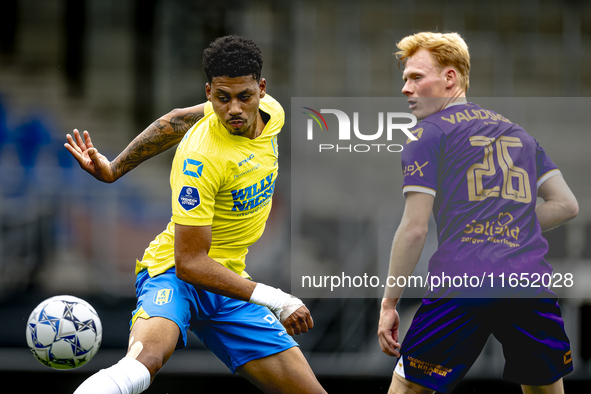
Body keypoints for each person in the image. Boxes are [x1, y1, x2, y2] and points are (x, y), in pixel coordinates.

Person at [66, 36, 326, 394]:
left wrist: (114, 169)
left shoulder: (274, 113)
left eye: (244, 96)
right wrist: (278, 299)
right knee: (146, 360)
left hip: (228, 281)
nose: (234, 109)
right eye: (222, 98)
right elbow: (189, 263)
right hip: (174, 275)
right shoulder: (200, 160)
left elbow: (173, 121)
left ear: (262, 90)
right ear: (208, 92)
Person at [377, 32, 579, 394]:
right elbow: (566, 204)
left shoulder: (426, 134)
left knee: (409, 388)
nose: (405, 88)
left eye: (416, 77)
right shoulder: (519, 133)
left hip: (464, 282)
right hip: (528, 285)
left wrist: (389, 302)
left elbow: (414, 229)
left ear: (450, 78)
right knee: (544, 390)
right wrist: (508, 224)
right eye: (404, 79)